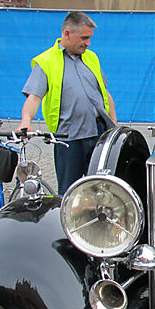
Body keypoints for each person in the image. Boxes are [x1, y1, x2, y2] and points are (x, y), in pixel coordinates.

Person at [19, 11, 117, 193]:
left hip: (98, 133)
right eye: (84, 38)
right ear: (67, 34)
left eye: (89, 38)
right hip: (68, 139)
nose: (88, 43)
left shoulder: (91, 57)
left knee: (101, 189)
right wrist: (26, 121)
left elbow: (105, 94)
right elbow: (34, 97)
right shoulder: (46, 61)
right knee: (69, 190)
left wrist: (114, 125)